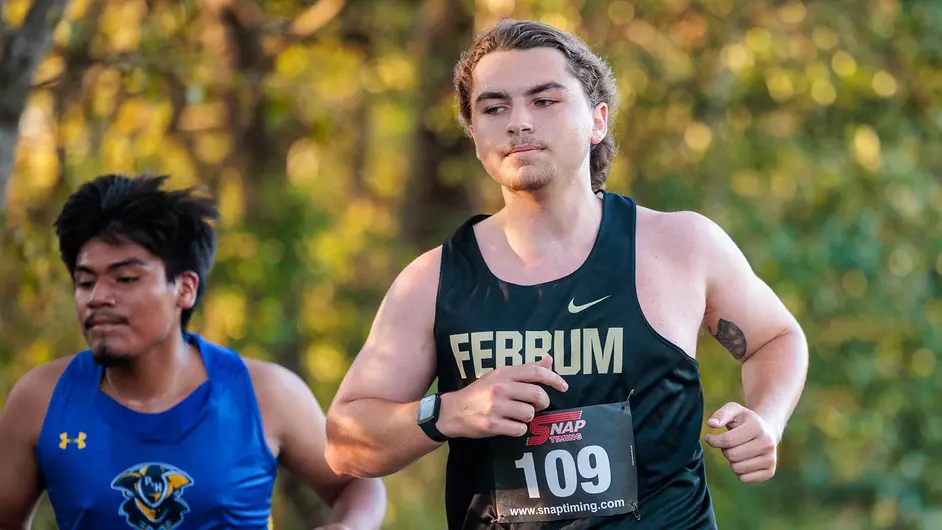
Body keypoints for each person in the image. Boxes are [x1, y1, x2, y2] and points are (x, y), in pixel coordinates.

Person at [324, 19, 808, 530]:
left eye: (544, 100)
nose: (518, 122)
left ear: (597, 120)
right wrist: (449, 412)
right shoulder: (433, 281)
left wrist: (768, 420)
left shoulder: (680, 246)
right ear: (474, 135)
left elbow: (775, 337)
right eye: (494, 108)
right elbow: (343, 443)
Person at [0, 174, 387, 530]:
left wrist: (350, 526)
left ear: (184, 288)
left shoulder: (265, 394)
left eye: (126, 278)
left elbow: (358, 486)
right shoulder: (40, 400)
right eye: (85, 282)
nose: (98, 297)